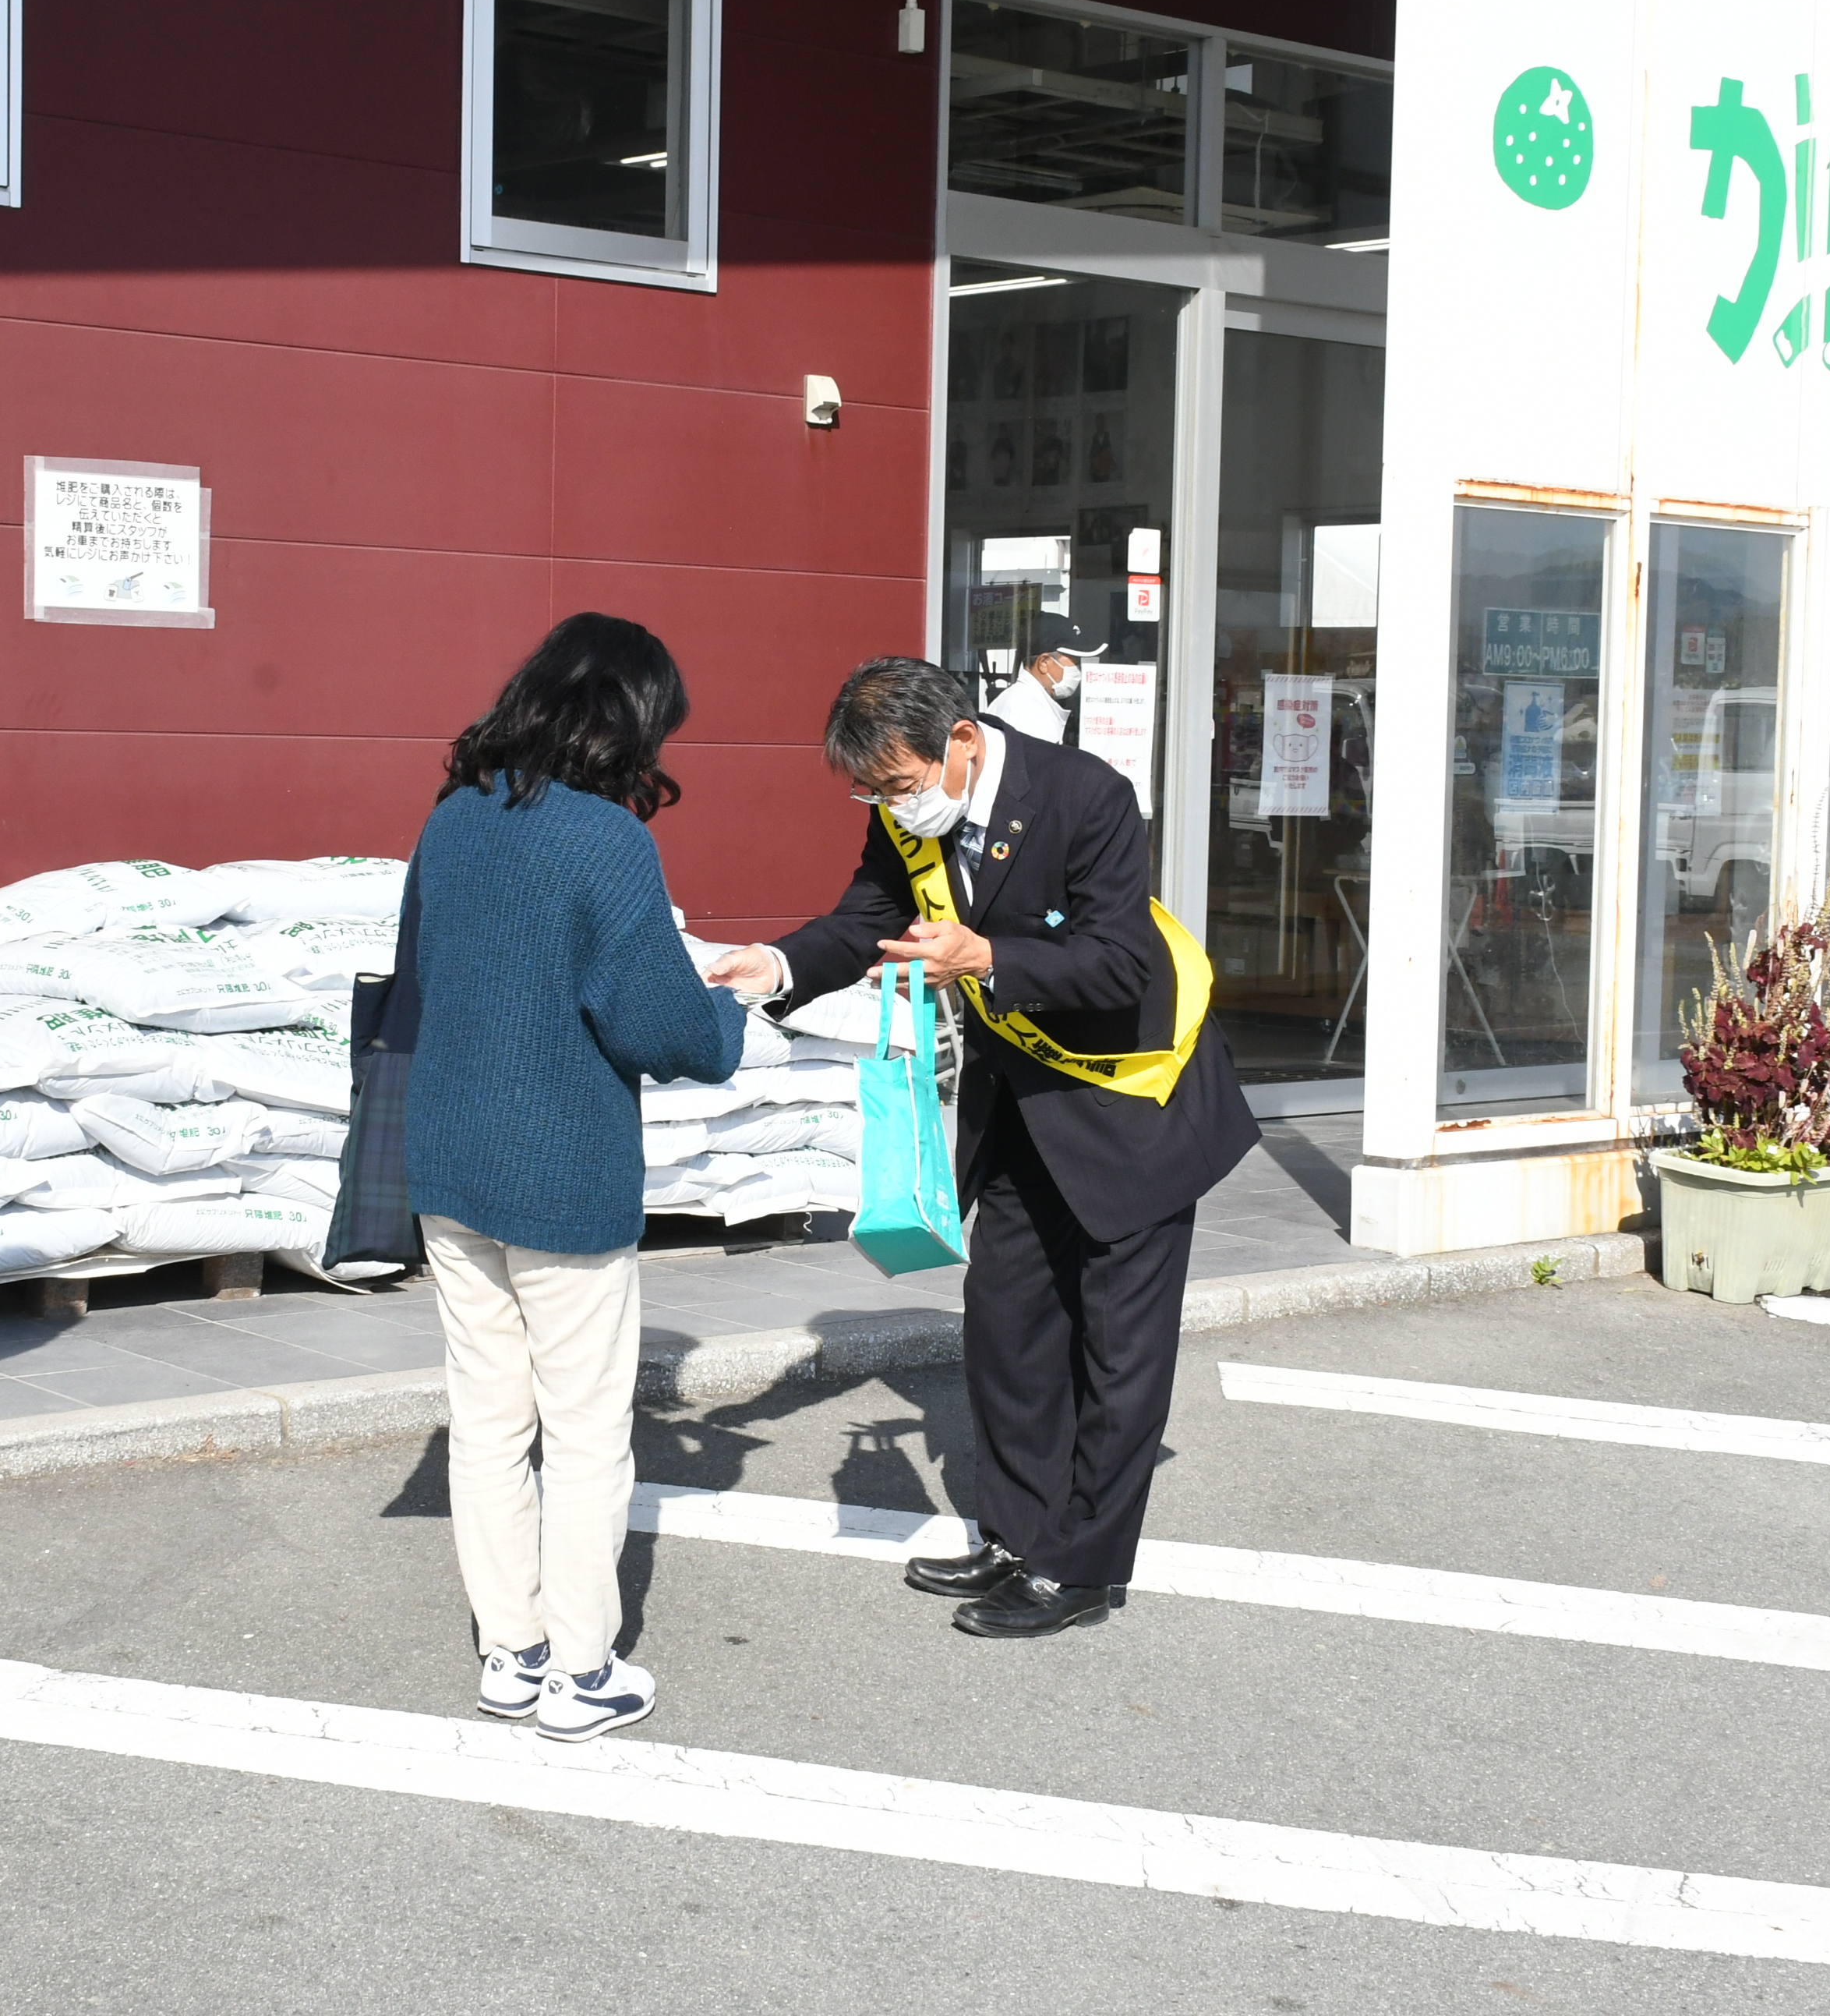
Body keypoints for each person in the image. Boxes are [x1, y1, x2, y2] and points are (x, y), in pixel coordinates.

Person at [708, 659, 1257, 1639]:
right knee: (1008, 1332)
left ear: (962, 739)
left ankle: (1081, 1568)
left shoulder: (1083, 795)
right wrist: (780, 961)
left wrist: (989, 957)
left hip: (1135, 1106)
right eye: (869, 791)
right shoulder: (902, 806)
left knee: (1118, 1355)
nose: (886, 805)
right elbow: (865, 923)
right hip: (1022, 1109)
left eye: (899, 785)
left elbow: (1120, 962)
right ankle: (1016, 1532)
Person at [405, 614, 744, 1740]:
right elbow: (660, 1024)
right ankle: (583, 1671)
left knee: (487, 1416)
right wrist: (731, 1017)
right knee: (588, 1422)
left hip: (449, 1159)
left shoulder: (453, 820)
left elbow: (422, 975)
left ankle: (511, 1651)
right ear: (628, 719)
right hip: (562, 1165)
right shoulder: (606, 841)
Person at [979, 610, 1102, 744]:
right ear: (1043, 662)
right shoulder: (1032, 714)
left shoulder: (1022, 699)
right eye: (1075, 661)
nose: (1078, 670)